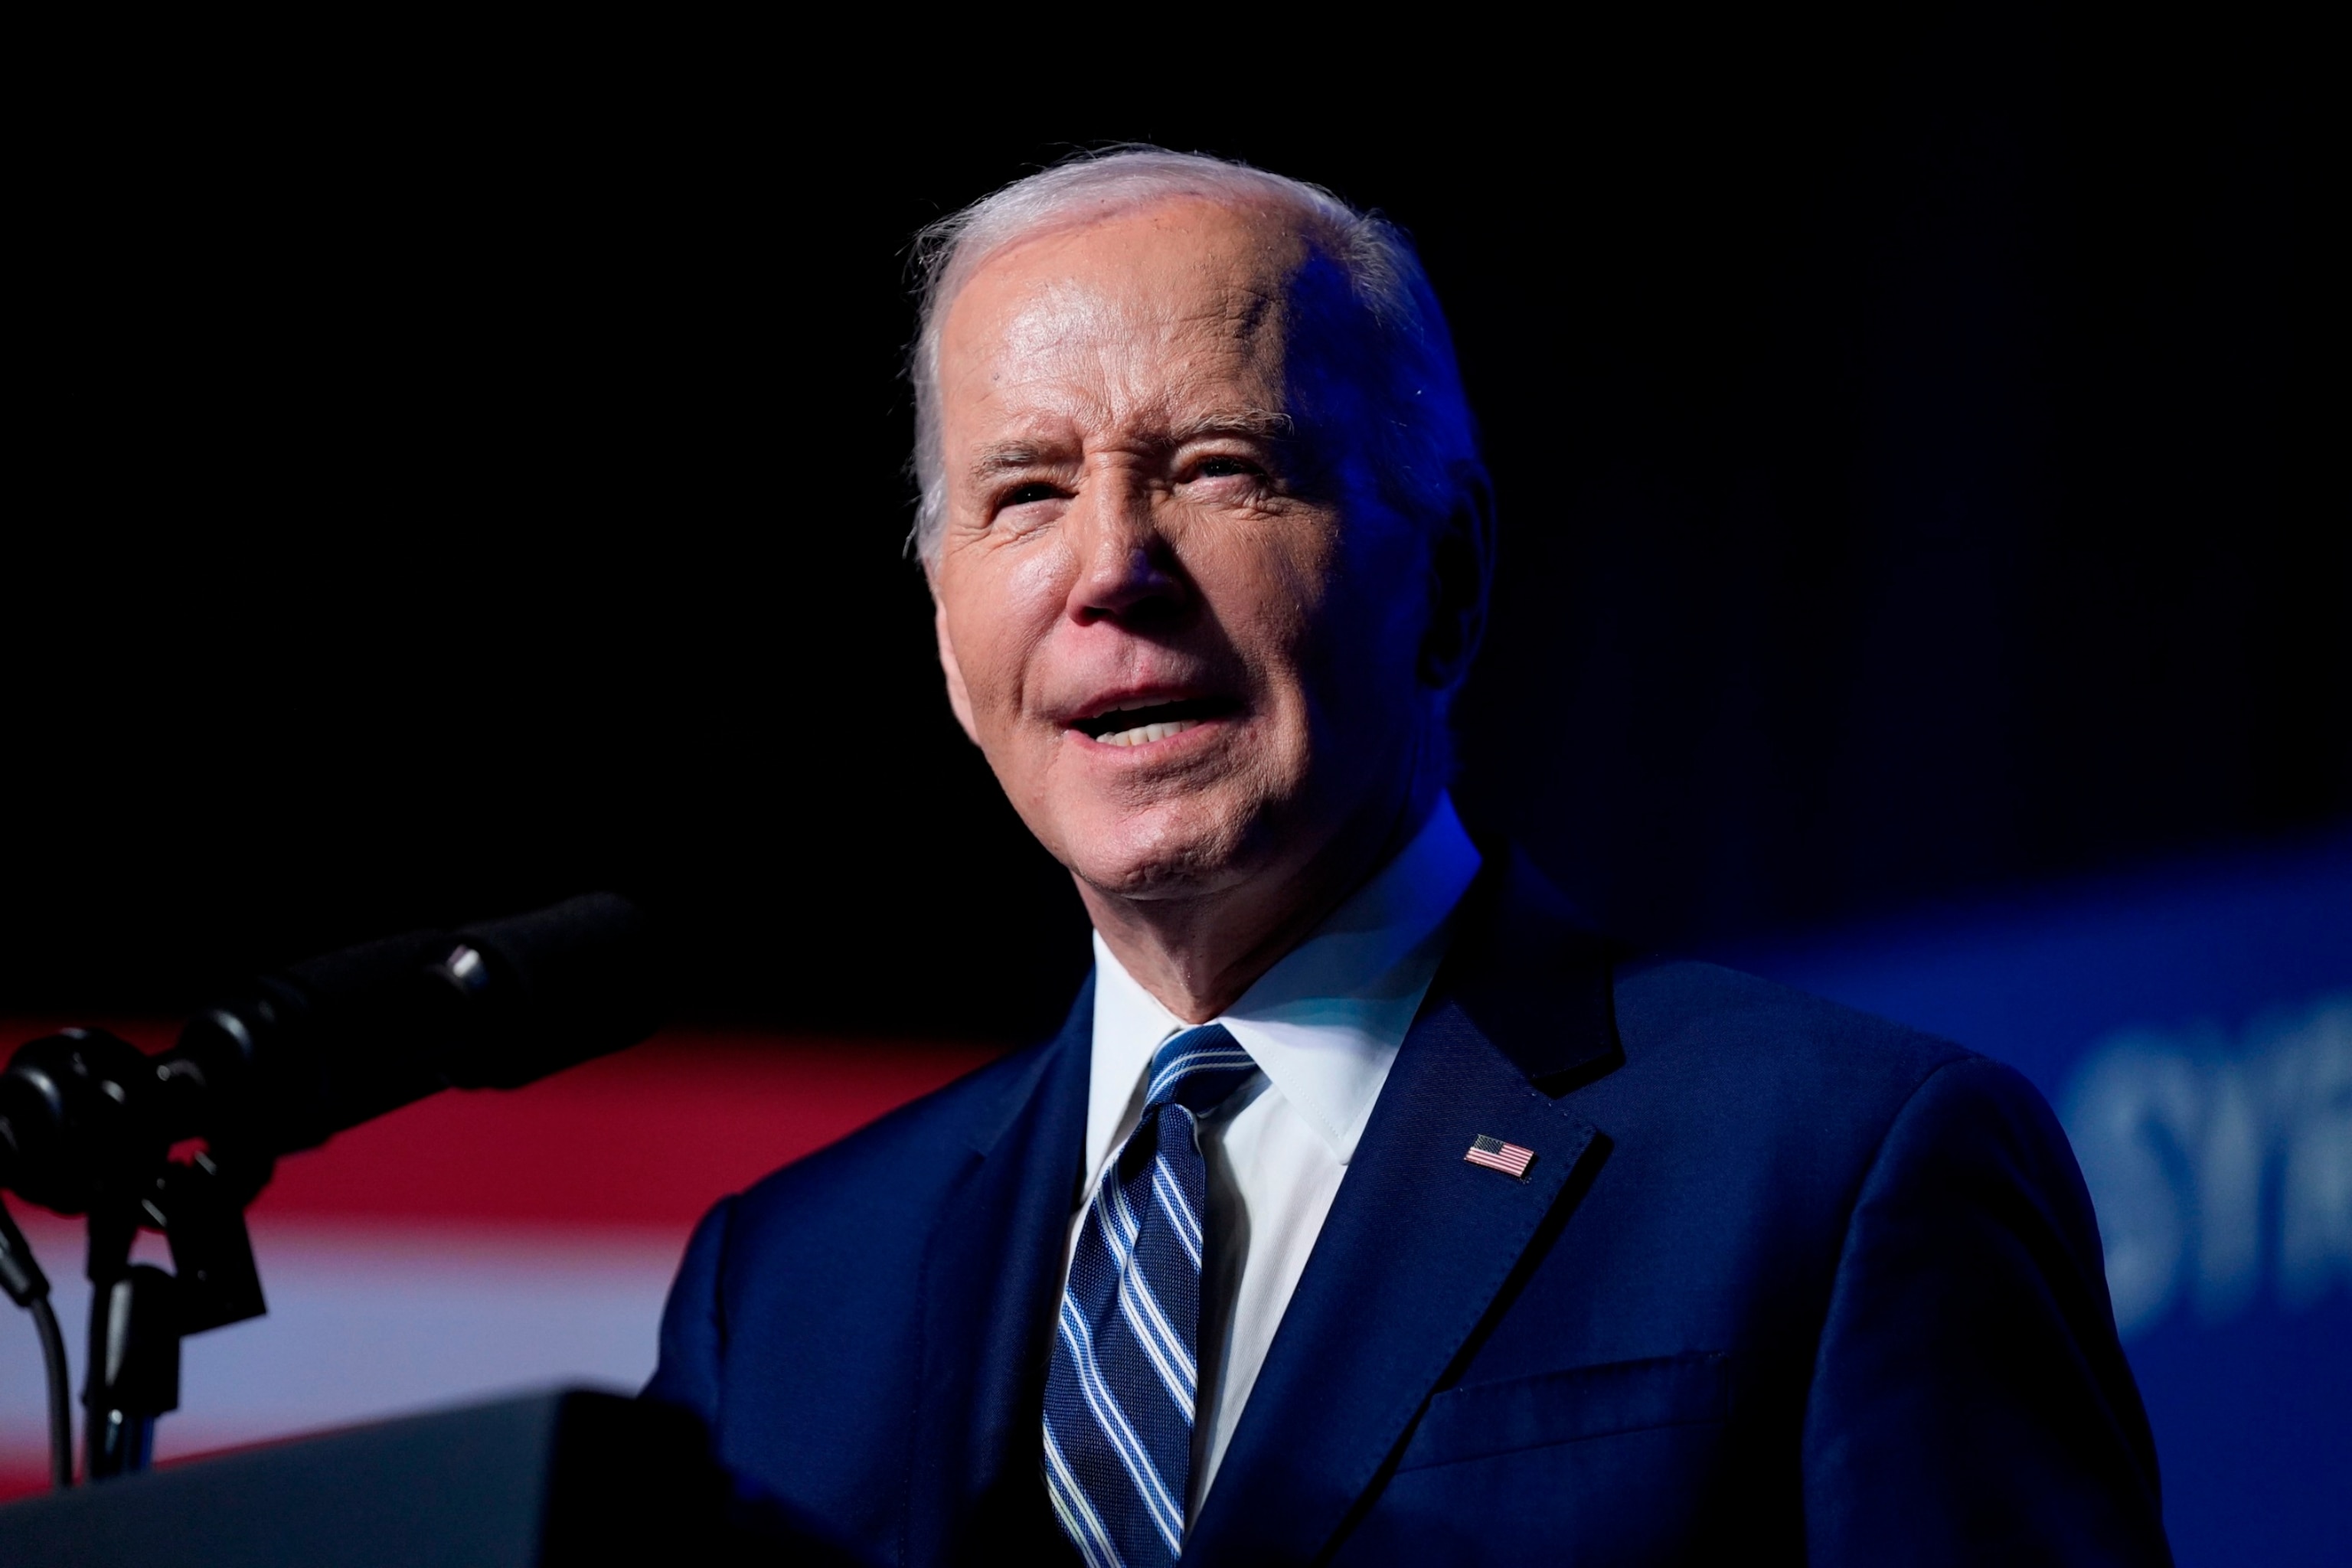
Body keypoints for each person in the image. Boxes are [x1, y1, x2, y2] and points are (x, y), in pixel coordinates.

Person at [647, 149, 2170, 1566]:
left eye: (1220, 466)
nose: (1114, 567)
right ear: (944, 636)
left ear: (1448, 575)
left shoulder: (1842, 1166)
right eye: (1027, 491)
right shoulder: (778, 1294)